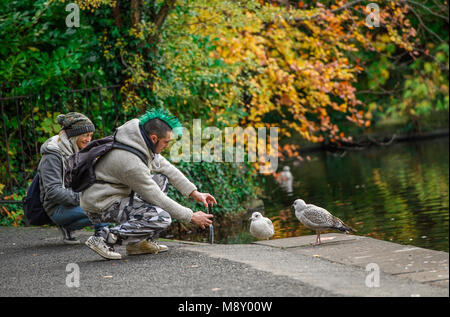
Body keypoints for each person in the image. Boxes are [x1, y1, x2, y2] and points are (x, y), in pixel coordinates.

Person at [81, 108, 217, 260]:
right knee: (162, 217)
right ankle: (106, 239)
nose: (167, 145)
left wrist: (195, 193)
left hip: (115, 195)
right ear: (153, 138)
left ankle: (138, 244)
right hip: (100, 203)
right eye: (166, 142)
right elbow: (156, 197)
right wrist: (190, 216)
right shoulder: (132, 163)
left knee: (161, 178)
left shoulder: (139, 143)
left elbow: (167, 168)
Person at [38, 112, 107, 244]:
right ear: (74, 136)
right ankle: (102, 239)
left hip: (75, 201)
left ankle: (69, 227)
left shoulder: (77, 150)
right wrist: (84, 197)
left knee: (107, 203)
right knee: (100, 209)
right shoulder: (52, 155)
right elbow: (53, 192)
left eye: (91, 135)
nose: (89, 140)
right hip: (57, 207)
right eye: (85, 135)